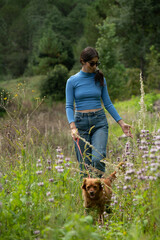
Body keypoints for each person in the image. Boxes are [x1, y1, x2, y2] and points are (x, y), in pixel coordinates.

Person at [65, 47, 133, 178]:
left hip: (99, 122)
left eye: (97, 63)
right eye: (92, 63)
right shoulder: (72, 81)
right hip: (80, 123)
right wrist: (72, 127)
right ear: (82, 62)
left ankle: (99, 187)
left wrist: (121, 123)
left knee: (98, 158)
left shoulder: (100, 79)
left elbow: (107, 103)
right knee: (85, 167)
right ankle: (89, 196)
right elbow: (69, 106)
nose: (95, 66)